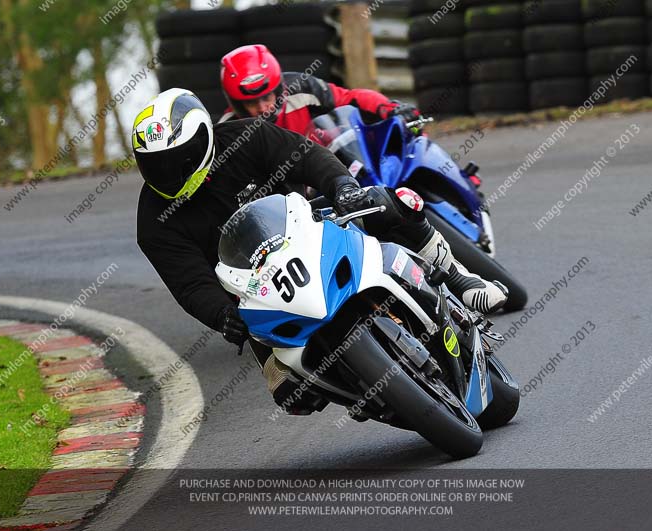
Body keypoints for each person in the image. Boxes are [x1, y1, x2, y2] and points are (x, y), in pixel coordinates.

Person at [134, 88, 507, 409]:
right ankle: (368, 392)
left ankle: (461, 280)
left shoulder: (246, 137)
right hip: (253, 293)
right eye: (155, 165)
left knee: (389, 203)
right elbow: (188, 283)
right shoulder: (153, 221)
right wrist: (221, 316)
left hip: (309, 230)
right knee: (290, 393)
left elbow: (306, 155)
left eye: (176, 158)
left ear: (204, 135)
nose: (168, 172)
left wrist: (342, 186)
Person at [218, 44, 419, 127]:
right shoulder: (228, 127)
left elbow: (350, 97)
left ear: (278, 88)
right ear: (237, 103)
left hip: (327, 175)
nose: (262, 107)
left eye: (266, 97)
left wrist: (389, 109)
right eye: (252, 102)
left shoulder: (301, 87)